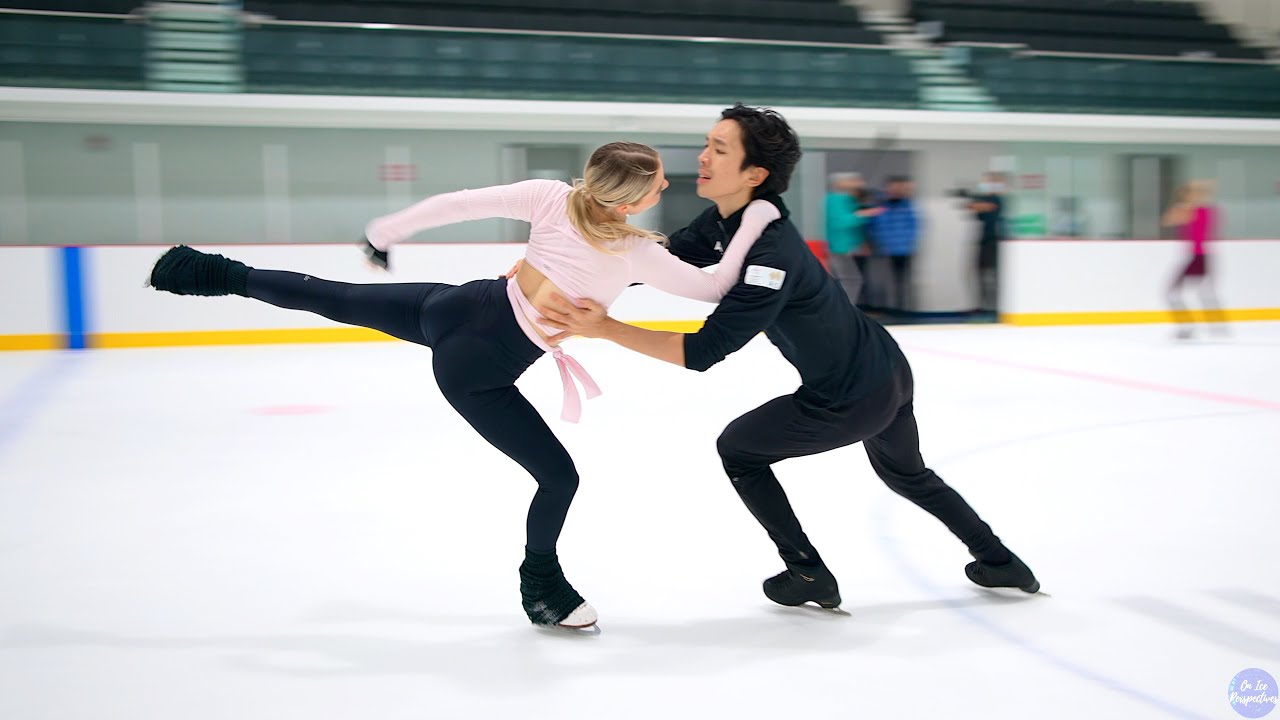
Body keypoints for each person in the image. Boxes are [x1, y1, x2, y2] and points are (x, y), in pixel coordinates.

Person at [145, 141, 781, 629]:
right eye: (658, 183)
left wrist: (384, 232)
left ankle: (209, 272)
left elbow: (459, 203)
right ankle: (542, 586)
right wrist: (754, 222)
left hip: (456, 307)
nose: (667, 185)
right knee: (559, 478)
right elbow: (714, 288)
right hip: (478, 371)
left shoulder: (552, 196)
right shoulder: (634, 253)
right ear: (629, 200)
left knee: (329, 296)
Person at [538, 105, 1039, 609]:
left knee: (739, 449)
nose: (702, 157)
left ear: (754, 174)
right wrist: (562, 263)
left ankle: (805, 573)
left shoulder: (769, 256)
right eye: (707, 143)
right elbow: (656, 260)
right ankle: (1000, 561)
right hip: (884, 367)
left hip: (850, 395)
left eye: (719, 149)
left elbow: (704, 351)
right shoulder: (727, 220)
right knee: (906, 473)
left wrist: (605, 327)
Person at [1161, 180, 1227, 339]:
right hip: (1197, 257)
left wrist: (1191, 197)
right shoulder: (1189, 210)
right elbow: (1167, 220)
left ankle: (1194, 327)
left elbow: (1172, 218)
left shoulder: (1202, 211)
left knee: (1176, 292)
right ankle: (1216, 327)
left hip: (1200, 257)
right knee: (1198, 292)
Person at [968, 172, 1008, 312]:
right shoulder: (986, 200)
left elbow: (982, 207)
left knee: (995, 276)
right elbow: (975, 211)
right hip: (985, 240)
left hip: (996, 241)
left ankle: (995, 306)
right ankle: (984, 304)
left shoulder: (999, 200)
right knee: (981, 273)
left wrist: (977, 204)